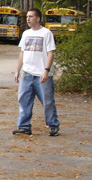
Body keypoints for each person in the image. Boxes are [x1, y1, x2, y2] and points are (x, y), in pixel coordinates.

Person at [13, 8, 60, 136]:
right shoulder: (26, 34)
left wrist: (46, 70)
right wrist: (17, 70)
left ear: (38, 18)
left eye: (31, 16)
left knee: (47, 101)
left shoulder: (46, 33)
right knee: (24, 100)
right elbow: (22, 53)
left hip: (42, 74)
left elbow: (51, 53)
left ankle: (53, 125)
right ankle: (24, 126)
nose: (28, 19)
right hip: (27, 73)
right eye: (27, 16)